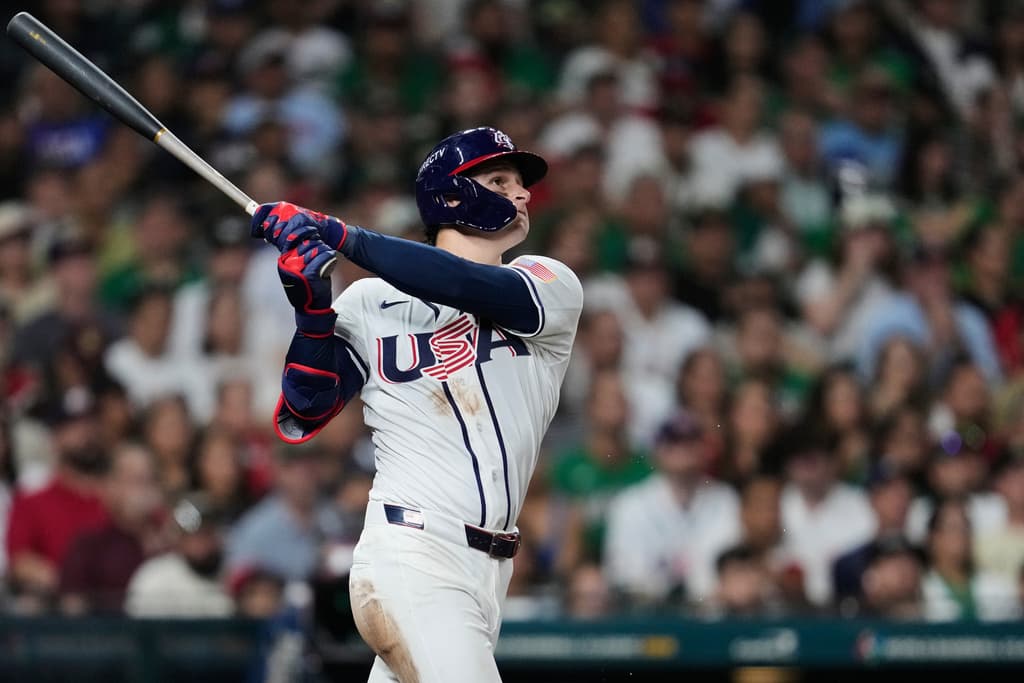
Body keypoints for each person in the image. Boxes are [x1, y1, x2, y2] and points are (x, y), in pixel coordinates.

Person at [248, 126, 582, 683]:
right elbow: (304, 411)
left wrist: (340, 234)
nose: (521, 194)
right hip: (412, 554)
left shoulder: (549, 283)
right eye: (499, 180)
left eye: (521, 184)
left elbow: (462, 283)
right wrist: (311, 312)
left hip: (490, 573)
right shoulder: (371, 300)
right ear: (450, 197)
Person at [124, 492, 234, 618]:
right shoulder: (154, 578)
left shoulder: (232, 573)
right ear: (178, 538)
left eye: (207, 532)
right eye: (192, 535)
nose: (200, 542)